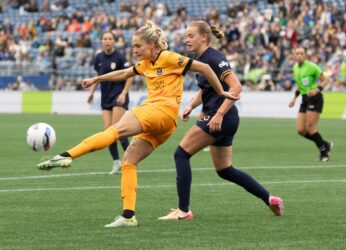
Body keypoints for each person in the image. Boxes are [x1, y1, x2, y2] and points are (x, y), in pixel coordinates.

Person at [37, 20, 238, 227]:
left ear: (151, 45)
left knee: (114, 130)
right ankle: (128, 216)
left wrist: (222, 92)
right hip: (165, 125)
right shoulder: (144, 64)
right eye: (133, 46)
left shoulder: (168, 57)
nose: (134, 50)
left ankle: (66, 155)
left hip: (159, 111)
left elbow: (204, 67)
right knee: (129, 161)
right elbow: (124, 73)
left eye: (138, 46)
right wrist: (96, 80)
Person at [158, 21, 284, 221]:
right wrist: (191, 105)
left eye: (191, 36)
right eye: (186, 36)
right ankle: (269, 198)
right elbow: (207, 88)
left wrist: (219, 114)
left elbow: (236, 87)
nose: (186, 39)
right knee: (225, 170)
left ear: (204, 37)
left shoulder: (214, 59)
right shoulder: (203, 60)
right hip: (225, 119)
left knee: (181, 154)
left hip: (219, 118)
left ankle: (183, 211)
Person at [88, 31, 132, 175]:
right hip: (105, 97)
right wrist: (91, 92)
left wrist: (124, 93)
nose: (107, 41)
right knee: (108, 132)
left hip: (118, 97)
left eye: (110, 39)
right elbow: (98, 76)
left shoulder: (119, 57)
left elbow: (130, 75)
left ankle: (131, 159)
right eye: (105, 38)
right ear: (102, 41)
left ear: (114, 41)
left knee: (116, 129)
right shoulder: (98, 57)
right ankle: (116, 162)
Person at [288, 47, 333, 162]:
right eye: (297, 53)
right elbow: (299, 85)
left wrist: (317, 89)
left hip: (315, 98)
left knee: (311, 127)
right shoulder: (295, 68)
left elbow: (325, 79)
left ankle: (324, 154)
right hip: (304, 98)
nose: (299, 55)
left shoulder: (312, 67)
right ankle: (325, 144)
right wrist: (294, 98)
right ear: (294, 55)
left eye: (301, 53)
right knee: (300, 130)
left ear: (305, 55)